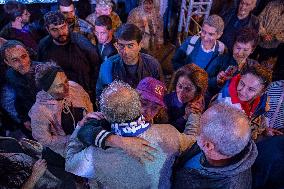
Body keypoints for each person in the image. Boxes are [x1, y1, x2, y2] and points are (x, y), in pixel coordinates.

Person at [65, 81, 195, 188]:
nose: (148, 112)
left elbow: (70, 161)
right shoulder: (170, 133)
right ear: (136, 102)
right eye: (144, 103)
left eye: (155, 107)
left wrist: (80, 126)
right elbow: (194, 141)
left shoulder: (94, 155)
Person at [172, 103, 258, 189]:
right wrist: (194, 113)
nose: (197, 131)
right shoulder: (237, 141)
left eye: (199, 128)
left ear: (208, 146)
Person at [29, 62, 93, 158]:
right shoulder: (39, 111)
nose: (67, 88)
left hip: (88, 138)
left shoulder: (75, 87)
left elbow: (88, 105)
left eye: (66, 81)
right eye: (59, 86)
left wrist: (91, 125)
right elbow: (44, 139)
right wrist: (74, 138)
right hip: (68, 149)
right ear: (47, 89)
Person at [37, 11, 100, 103]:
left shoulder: (81, 42)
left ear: (67, 25)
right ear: (47, 29)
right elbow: (43, 72)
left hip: (83, 94)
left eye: (63, 27)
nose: (61, 32)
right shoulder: (44, 46)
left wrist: (91, 90)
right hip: (57, 97)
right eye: (55, 30)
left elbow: (96, 66)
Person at [96, 23, 164, 98]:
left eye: (130, 46)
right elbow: (101, 95)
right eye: (121, 45)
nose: (125, 51)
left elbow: (160, 96)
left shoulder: (152, 65)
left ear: (140, 45)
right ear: (116, 45)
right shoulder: (108, 65)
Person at [213, 64, 275, 140]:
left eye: (251, 89)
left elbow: (257, 131)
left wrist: (265, 131)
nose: (242, 91)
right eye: (242, 83)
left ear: (261, 93)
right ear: (240, 78)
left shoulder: (262, 105)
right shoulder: (222, 98)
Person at [0, 40, 40, 137]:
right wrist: (24, 119)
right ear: (7, 62)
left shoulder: (44, 70)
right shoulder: (10, 75)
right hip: (33, 121)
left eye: (24, 56)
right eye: (15, 60)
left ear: (28, 54)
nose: (22, 63)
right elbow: (18, 99)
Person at [207, 28, 259, 99]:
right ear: (233, 44)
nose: (240, 53)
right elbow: (205, 80)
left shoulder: (254, 66)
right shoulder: (221, 60)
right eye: (238, 48)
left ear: (252, 50)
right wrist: (216, 80)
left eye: (245, 50)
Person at [164, 64, 208, 133]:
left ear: (198, 91)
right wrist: (185, 117)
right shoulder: (166, 101)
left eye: (187, 89)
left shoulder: (202, 103)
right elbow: (163, 131)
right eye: (179, 86)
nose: (181, 93)